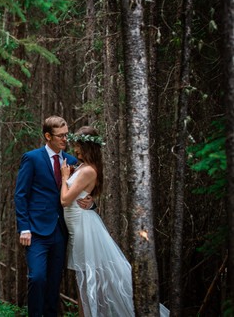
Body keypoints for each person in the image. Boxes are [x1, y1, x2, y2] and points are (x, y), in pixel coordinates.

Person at [60, 126, 169, 317]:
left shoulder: (88, 171)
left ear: (88, 148)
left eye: (78, 147)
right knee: (83, 279)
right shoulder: (82, 166)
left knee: (88, 280)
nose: (75, 150)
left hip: (84, 228)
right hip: (77, 225)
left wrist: (64, 178)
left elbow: (65, 200)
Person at [15, 116, 93, 317]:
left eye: (67, 135)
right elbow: (21, 194)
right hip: (36, 231)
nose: (65, 139)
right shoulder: (31, 158)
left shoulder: (73, 161)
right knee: (37, 278)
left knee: (53, 283)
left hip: (62, 231)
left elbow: (85, 189)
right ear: (48, 136)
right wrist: (24, 227)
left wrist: (92, 203)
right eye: (60, 136)